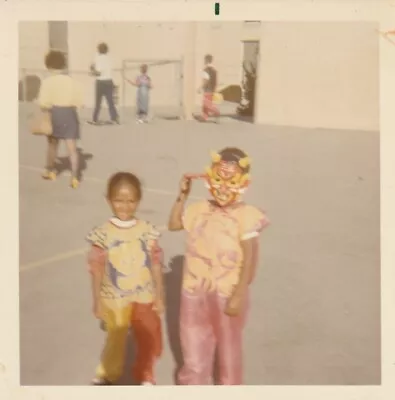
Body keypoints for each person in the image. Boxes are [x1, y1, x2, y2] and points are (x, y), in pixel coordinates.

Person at [168, 147, 269, 385]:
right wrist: (182, 195)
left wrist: (239, 294)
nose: (223, 188)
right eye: (218, 179)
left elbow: (250, 258)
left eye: (231, 181)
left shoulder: (246, 215)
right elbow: (173, 224)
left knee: (228, 355)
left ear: (244, 182)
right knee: (193, 355)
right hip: (193, 293)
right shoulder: (199, 209)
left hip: (227, 294)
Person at [86, 172, 165, 385]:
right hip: (114, 297)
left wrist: (159, 296)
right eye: (119, 200)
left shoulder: (146, 231)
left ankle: (145, 374)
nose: (125, 206)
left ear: (138, 201)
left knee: (148, 336)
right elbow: (96, 267)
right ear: (108, 200)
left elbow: (156, 264)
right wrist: (97, 300)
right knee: (115, 337)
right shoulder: (103, 233)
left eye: (131, 201)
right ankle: (107, 374)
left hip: (144, 295)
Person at [37, 50, 83, 189]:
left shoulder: (47, 82)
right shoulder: (71, 81)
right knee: (72, 148)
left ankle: (50, 171)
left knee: (52, 145)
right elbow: (79, 101)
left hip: (55, 113)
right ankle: (75, 176)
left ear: (49, 65)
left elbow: (43, 103)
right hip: (70, 113)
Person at [88, 42, 119, 125]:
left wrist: (92, 70)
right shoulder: (109, 58)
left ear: (99, 50)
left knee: (98, 102)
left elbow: (98, 72)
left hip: (101, 82)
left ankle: (95, 119)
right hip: (109, 81)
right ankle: (115, 118)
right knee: (110, 101)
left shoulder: (98, 58)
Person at [199, 54, 220, 122]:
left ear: (206, 60)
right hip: (212, 89)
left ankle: (216, 112)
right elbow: (215, 80)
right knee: (206, 104)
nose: (204, 61)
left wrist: (200, 88)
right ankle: (204, 117)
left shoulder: (206, 70)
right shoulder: (214, 70)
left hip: (207, 89)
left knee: (206, 103)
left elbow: (206, 80)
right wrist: (215, 88)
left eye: (204, 60)